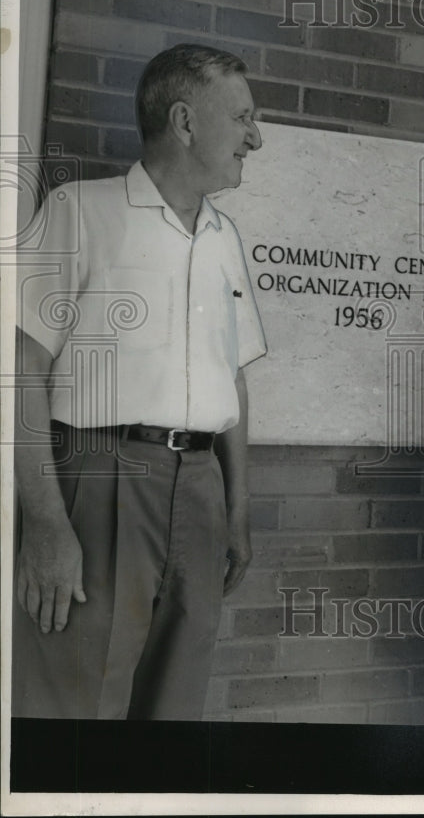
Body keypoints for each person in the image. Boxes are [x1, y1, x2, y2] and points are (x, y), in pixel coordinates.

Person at [12, 44, 267, 720]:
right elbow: (19, 370)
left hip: (203, 491)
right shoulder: (79, 211)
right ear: (185, 122)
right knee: (77, 704)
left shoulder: (223, 237)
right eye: (243, 118)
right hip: (101, 482)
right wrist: (42, 522)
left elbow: (233, 383)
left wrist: (237, 509)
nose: (256, 137)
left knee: (175, 709)